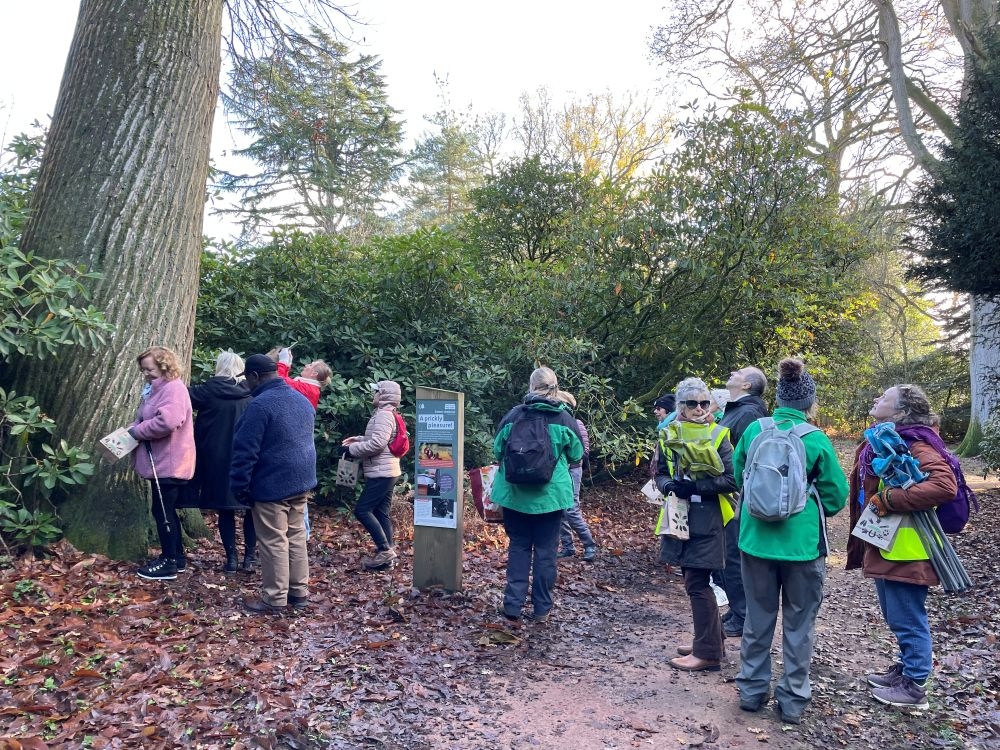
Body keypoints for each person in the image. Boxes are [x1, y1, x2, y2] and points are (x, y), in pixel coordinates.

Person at [732, 358, 847, 724]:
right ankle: (793, 700)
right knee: (799, 624)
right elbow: (836, 496)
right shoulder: (816, 439)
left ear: (778, 398)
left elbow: (739, 474)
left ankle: (751, 691)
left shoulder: (755, 431)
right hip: (803, 546)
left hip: (755, 541)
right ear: (809, 403)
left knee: (757, 618)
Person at [847, 385, 958, 710]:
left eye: (884, 397)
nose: (876, 398)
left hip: (909, 549)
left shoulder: (916, 445)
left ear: (901, 412)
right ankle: (906, 670)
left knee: (908, 618)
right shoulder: (890, 440)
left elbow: (944, 485)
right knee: (896, 615)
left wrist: (889, 498)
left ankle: (915, 686)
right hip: (890, 545)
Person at [654, 377, 738, 672]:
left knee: (697, 582)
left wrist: (696, 487)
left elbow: (731, 479)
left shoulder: (718, 434)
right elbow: (660, 472)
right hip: (680, 515)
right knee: (695, 579)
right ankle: (710, 641)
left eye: (704, 402)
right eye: (693, 403)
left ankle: (707, 653)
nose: (700, 408)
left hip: (710, 516)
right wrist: (669, 487)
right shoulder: (669, 434)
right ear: (681, 406)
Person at [493, 367, 584, 622]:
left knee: (519, 547)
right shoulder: (564, 418)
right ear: (555, 387)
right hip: (551, 497)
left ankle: (512, 606)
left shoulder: (514, 415)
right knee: (546, 552)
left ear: (531, 386)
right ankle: (542, 609)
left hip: (515, 495)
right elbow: (577, 454)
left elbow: (497, 450)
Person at [230, 354, 317, 613]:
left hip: (272, 482)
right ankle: (298, 593)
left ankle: (274, 598)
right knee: (296, 536)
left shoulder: (259, 406)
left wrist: (239, 487)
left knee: (273, 540)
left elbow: (245, 452)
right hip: (301, 480)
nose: (246, 383)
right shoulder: (301, 400)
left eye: (247, 378)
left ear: (255, 376)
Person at [178, 350, 254, 574]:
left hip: (215, 458)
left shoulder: (207, 391)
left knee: (225, 509)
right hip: (247, 458)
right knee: (252, 509)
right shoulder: (252, 392)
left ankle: (231, 559)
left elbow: (180, 396)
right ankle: (250, 557)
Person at [128, 346, 196, 581]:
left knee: (163, 511)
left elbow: (168, 422)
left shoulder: (172, 389)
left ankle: (169, 561)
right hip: (161, 461)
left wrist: (137, 432)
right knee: (165, 510)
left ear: (164, 366)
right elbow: (146, 418)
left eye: (150, 369)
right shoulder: (156, 389)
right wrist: (131, 429)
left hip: (169, 461)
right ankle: (177, 558)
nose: (146, 374)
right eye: (143, 370)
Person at [715, 366, 769, 638]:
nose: (733, 372)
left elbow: (749, 458)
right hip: (726, 494)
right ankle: (737, 609)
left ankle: (742, 615)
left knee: (733, 557)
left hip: (736, 496)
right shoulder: (737, 410)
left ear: (747, 385)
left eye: (740, 372)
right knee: (726, 557)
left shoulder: (749, 413)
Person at [342, 380, 404, 571]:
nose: (373, 395)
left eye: (376, 392)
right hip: (388, 470)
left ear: (383, 395)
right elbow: (381, 439)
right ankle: (387, 556)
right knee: (380, 512)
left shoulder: (384, 415)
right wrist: (359, 439)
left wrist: (351, 450)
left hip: (382, 472)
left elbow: (377, 444)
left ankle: (385, 550)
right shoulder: (386, 413)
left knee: (362, 510)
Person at [555, 390, 598, 562]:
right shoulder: (556, 422)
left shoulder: (576, 423)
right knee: (559, 509)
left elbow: (584, 451)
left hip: (572, 470)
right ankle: (568, 547)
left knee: (571, 509)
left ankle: (589, 545)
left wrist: (566, 459)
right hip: (559, 471)